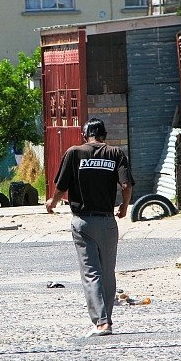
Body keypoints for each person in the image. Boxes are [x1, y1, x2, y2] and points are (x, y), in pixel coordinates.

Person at [45, 118, 134, 337]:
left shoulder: (74, 153)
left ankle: (101, 323)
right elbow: (126, 185)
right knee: (107, 273)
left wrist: (52, 203)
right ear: (104, 135)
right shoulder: (116, 154)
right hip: (107, 221)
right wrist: (123, 206)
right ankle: (107, 320)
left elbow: (61, 186)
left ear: (85, 135)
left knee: (91, 272)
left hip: (83, 221)